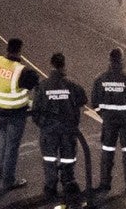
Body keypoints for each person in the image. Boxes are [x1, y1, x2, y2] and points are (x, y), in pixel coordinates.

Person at [0, 37, 37, 196]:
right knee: (12, 146)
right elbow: (33, 83)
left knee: (1, 140)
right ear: (20, 50)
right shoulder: (22, 71)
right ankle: (8, 180)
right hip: (15, 112)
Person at [31, 52, 86, 199]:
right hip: (68, 129)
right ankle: (68, 181)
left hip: (49, 130)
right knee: (68, 156)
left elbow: (35, 110)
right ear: (64, 66)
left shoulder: (42, 86)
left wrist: (43, 124)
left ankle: (51, 185)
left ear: (51, 65)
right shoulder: (72, 85)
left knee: (49, 158)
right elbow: (83, 100)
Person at [92, 51, 126, 194]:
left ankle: (104, 183)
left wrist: (104, 115)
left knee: (107, 151)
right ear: (122, 60)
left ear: (109, 60)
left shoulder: (100, 79)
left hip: (109, 121)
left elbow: (95, 103)